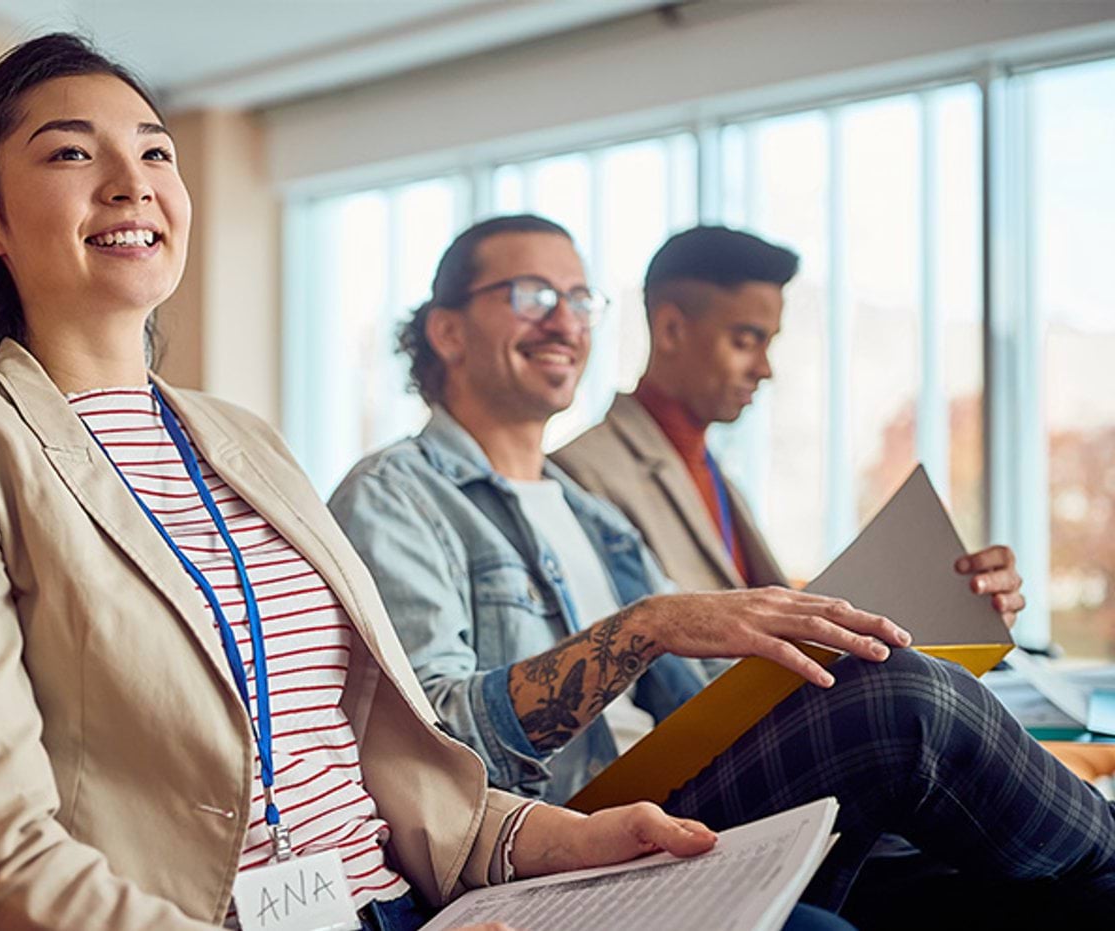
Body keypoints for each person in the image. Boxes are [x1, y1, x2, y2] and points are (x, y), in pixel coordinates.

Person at [0, 34, 861, 931]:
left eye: (155, 150)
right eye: (72, 152)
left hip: (415, 902)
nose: (132, 180)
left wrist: (559, 839)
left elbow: (388, 765)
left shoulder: (243, 439)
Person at [326, 214, 1115, 917]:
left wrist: (920, 615)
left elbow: (714, 702)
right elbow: (430, 750)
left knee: (960, 844)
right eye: (532, 294)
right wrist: (644, 629)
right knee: (903, 703)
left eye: (581, 297)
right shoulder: (393, 496)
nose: (565, 319)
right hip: (564, 841)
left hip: (668, 792)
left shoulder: (591, 517)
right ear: (448, 331)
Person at [551, 224, 1023, 615]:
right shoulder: (580, 474)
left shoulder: (713, 476)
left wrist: (947, 602)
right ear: (671, 329)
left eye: (768, 343)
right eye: (745, 341)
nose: (765, 368)